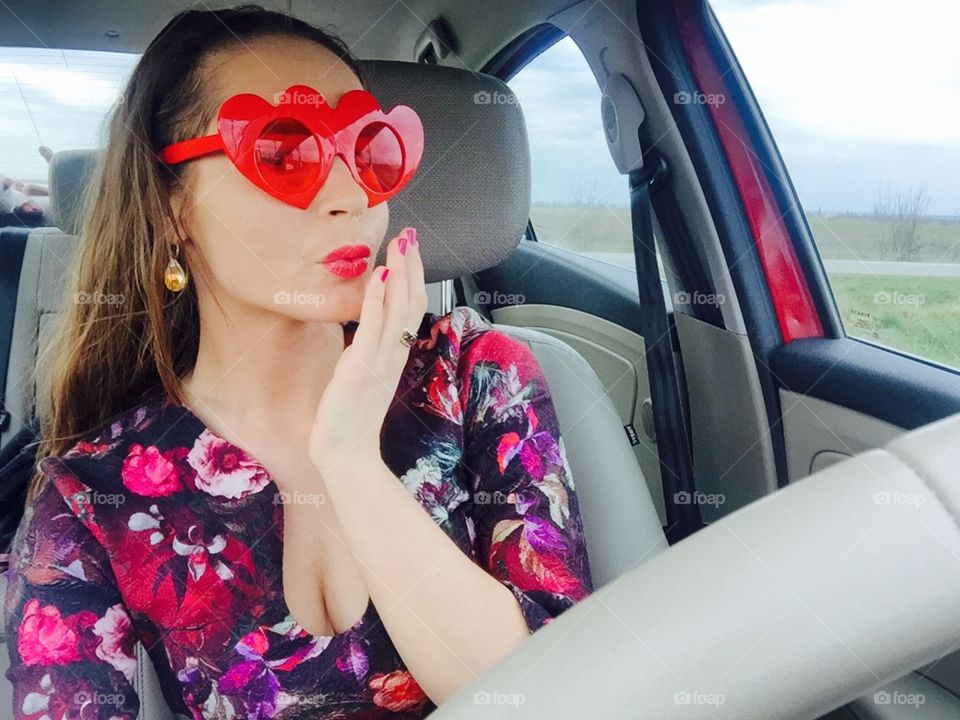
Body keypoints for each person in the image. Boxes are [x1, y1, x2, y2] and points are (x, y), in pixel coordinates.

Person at [2, 5, 594, 719]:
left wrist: (349, 459)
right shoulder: (90, 497)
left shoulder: (477, 378)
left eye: (372, 150)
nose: (352, 196)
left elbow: (555, 698)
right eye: (285, 152)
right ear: (169, 208)